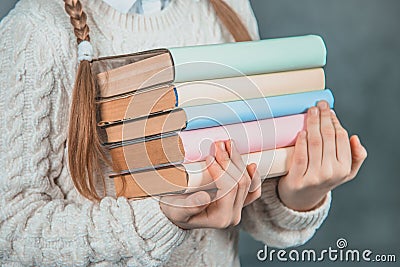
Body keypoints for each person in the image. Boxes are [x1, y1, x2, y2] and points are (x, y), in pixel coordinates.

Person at [0, 0, 367, 265]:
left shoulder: (227, 9)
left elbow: (248, 200)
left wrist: (299, 192)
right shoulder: (37, 30)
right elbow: (11, 229)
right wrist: (160, 218)